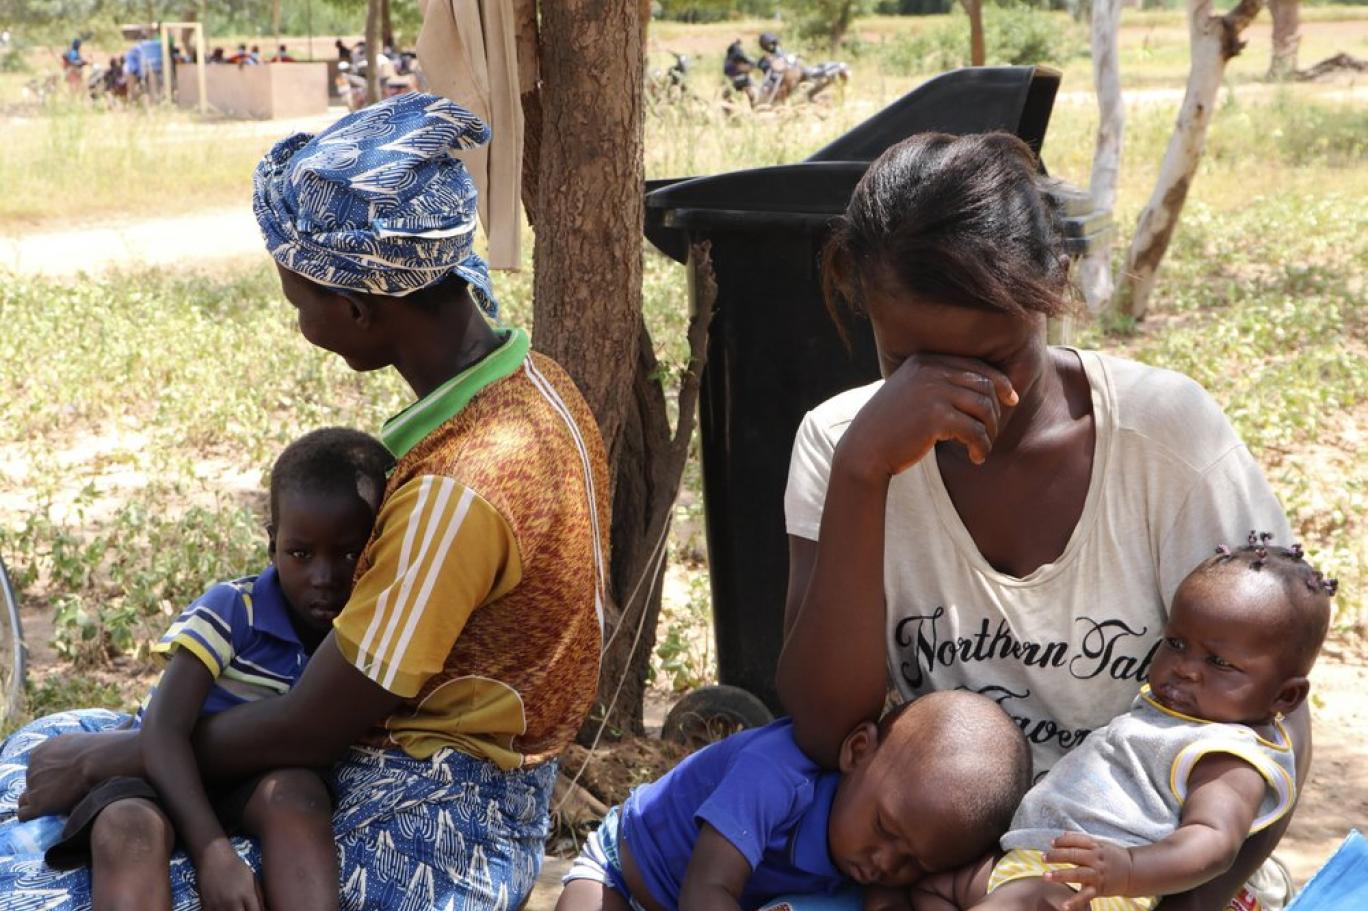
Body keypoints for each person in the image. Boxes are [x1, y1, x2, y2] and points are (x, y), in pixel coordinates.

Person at [0, 92, 610, 911]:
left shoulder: (460, 486)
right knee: (51, 738)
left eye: (299, 302)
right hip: (483, 783)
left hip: (436, 832)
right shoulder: (539, 385)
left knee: (33, 862)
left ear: (357, 309)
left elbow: (311, 727)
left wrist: (125, 754)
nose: (299, 318)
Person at [777, 132, 1301, 911]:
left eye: (992, 360)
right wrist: (864, 475)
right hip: (935, 878)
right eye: (911, 367)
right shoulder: (840, 445)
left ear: (1053, 285)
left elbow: (1272, 727)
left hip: (1146, 876)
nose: (955, 398)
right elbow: (824, 728)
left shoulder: (1167, 438)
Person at [32, 428, 391, 911]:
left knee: (299, 795)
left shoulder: (369, 634)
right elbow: (162, 730)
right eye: (300, 554)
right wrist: (213, 853)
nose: (323, 578)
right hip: (159, 775)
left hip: (249, 781)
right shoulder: (231, 610)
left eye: (349, 553)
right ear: (272, 545)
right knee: (127, 828)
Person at [911, 538, 1333, 911]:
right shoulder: (1167, 713)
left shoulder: (1227, 754)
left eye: (1219, 662)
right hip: (1029, 861)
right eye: (1176, 644)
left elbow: (1213, 843)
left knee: (1021, 901)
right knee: (928, 888)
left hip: (1094, 888)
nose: (1185, 669)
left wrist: (1128, 869)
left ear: (1285, 696)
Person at [558, 691, 1032, 911]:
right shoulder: (775, 776)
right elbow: (706, 890)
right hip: (627, 876)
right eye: (885, 829)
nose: (884, 861)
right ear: (858, 752)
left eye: (913, 861)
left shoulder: (874, 853)